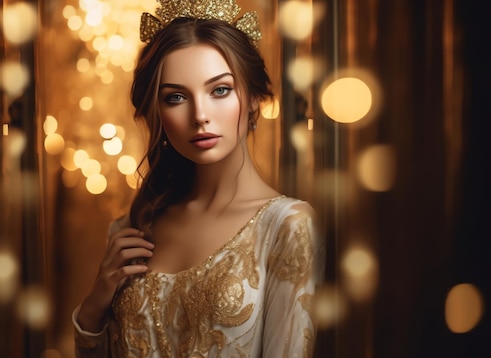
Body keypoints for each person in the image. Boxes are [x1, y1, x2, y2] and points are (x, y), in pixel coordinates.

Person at [72, 0, 324, 356]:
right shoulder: (133, 227)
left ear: (253, 99)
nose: (200, 115)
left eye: (219, 90)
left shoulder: (287, 227)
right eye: (176, 97)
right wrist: (95, 306)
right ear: (156, 111)